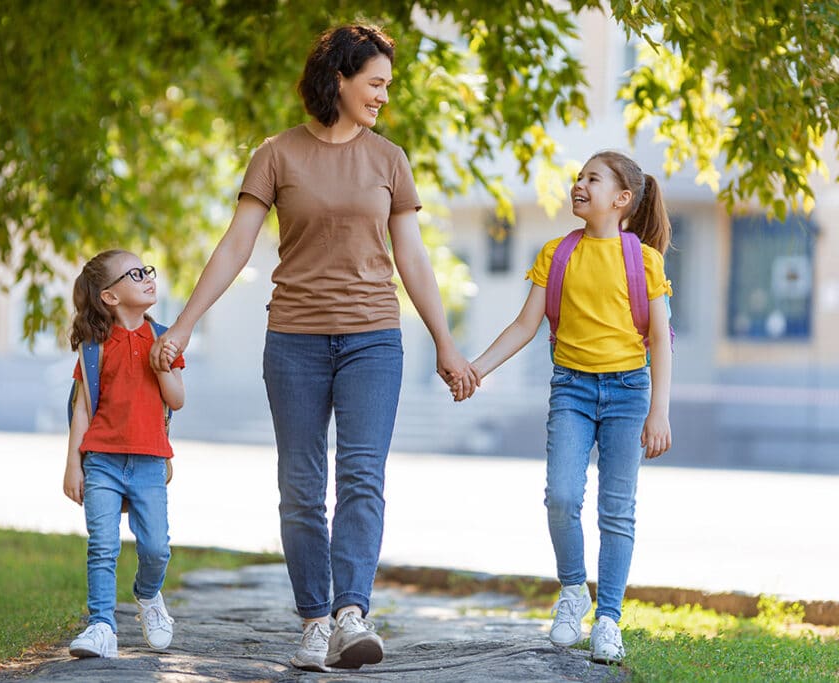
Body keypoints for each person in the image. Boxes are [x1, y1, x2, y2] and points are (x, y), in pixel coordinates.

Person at [151, 24, 475, 672]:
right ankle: (314, 621)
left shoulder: (390, 159)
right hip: (294, 339)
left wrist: (445, 341)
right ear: (340, 79)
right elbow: (236, 243)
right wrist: (182, 324)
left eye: (387, 85)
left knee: (361, 476)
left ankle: (352, 614)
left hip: (373, 339)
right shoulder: (276, 155)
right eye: (375, 83)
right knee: (300, 486)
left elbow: (412, 255)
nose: (383, 95)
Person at [462, 150, 672, 664]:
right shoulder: (558, 253)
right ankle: (574, 590)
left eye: (592, 179)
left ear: (621, 199)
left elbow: (661, 341)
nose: (579, 184)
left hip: (628, 392)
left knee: (616, 511)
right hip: (572, 390)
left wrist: (659, 412)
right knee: (561, 497)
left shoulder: (643, 259)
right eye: (578, 177)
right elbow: (523, 326)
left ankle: (608, 620)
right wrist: (476, 369)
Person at [63, 249, 185, 659]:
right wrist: (72, 465)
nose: (148, 277)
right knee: (102, 545)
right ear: (110, 297)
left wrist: (164, 364)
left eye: (147, 270)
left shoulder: (163, 337)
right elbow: (83, 407)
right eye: (135, 274)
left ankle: (148, 596)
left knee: (156, 549)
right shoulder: (94, 347)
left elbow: (178, 400)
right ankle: (101, 626)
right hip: (102, 460)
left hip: (150, 461)